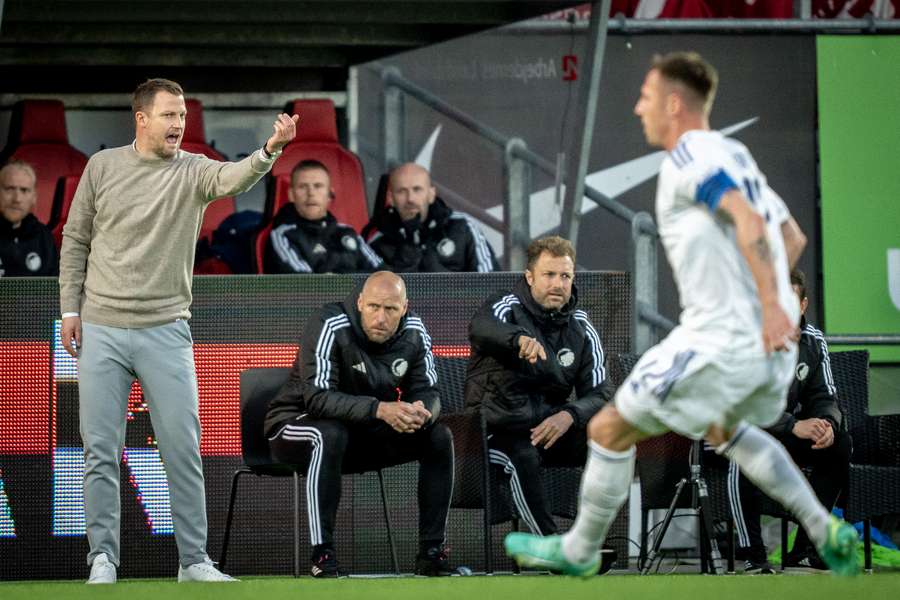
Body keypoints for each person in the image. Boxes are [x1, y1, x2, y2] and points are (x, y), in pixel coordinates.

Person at [504, 51, 859, 577]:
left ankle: (579, 549)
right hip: (770, 349)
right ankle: (823, 527)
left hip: (719, 336)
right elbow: (791, 235)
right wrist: (776, 309)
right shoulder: (735, 153)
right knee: (726, 429)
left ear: (674, 103)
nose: (638, 107)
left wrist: (762, 305)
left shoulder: (689, 154)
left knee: (606, 428)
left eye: (646, 96)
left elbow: (746, 220)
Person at [58, 77, 298, 584]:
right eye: (169, 115)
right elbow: (76, 239)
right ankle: (102, 559)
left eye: (183, 116)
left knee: (182, 449)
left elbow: (235, 178)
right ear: (141, 119)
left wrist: (269, 150)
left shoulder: (193, 170)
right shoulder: (102, 167)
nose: (179, 124)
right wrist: (69, 311)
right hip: (100, 326)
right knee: (100, 450)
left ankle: (194, 562)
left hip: (166, 329)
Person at [264, 271, 457, 577]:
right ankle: (322, 554)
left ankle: (432, 553)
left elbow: (429, 391)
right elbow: (317, 399)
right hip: (293, 426)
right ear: (360, 302)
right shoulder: (330, 323)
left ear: (404, 308)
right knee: (329, 433)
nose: (381, 317)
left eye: (391, 309)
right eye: (374, 307)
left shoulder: (415, 330)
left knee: (438, 435)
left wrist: (422, 412)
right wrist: (380, 409)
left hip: (359, 432)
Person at [466, 235, 611, 537]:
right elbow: (480, 327)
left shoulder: (582, 326)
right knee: (522, 454)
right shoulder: (505, 305)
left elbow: (601, 393)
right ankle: (552, 546)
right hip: (495, 431)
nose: (558, 284)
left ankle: (588, 538)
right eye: (549, 275)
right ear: (530, 276)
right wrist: (518, 339)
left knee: (609, 442)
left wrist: (569, 414)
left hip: (550, 429)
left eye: (565, 276)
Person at [728, 268, 851, 572]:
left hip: (781, 430)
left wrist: (827, 424)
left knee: (839, 446)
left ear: (803, 305)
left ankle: (809, 543)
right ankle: (753, 554)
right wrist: (792, 425)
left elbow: (825, 396)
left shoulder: (812, 340)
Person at [365, 162, 498, 273]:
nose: (410, 199)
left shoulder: (462, 227)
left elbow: (491, 282)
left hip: (462, 305)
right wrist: (408, 247)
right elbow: (365, 295)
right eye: (402, 191)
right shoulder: (376, 240)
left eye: (417, 190)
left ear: (431, 194)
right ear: (390, 198)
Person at [264, 159, 382, 274]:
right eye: (302, 187)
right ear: (291, 195)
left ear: (329, 194)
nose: (311, 193)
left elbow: (383, 274)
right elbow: (305, 285)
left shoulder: (347, 232)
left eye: (318, 186)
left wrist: (338, 274)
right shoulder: (283, 236)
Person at [0, 160, 58, 277]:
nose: (17, 199)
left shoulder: (44, 238)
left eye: (24, 190)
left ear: (34, 197)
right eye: (9, 189)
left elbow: (56, 290)